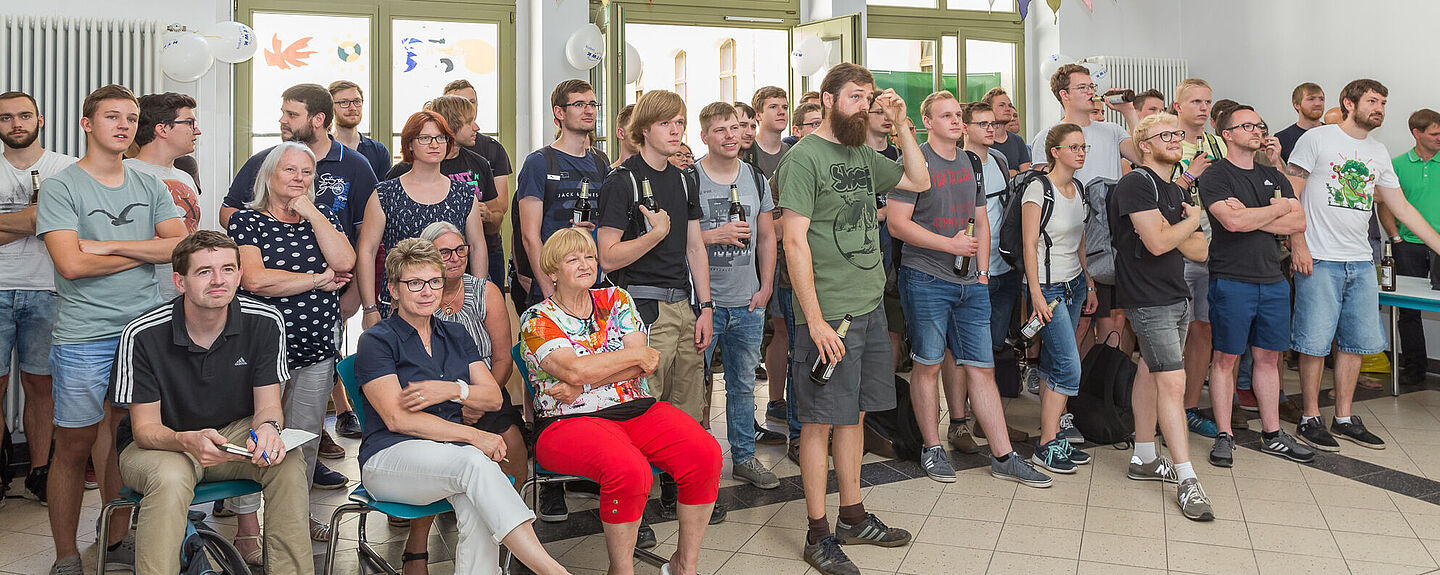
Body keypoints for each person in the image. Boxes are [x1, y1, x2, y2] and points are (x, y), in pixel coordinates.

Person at [776, 62, 930, 575]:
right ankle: (818, 533)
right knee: (819, 421)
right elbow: (793, 240)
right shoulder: (803, 159)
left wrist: (904, 122)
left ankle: (853, 515)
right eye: (855, 98)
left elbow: (919, 178)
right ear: (826, 100)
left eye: (869, 98)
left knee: (857, 415)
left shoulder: (863, 151)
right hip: (828, 315)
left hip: (866, 305)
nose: (865, 106)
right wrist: (814, 320)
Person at [37, 84, 187, 575]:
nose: (123, 125)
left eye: (130, 117)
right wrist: (139, 247)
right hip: (84, 335)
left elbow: (178, 249)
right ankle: (66, 554)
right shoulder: (62, 186)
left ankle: (116, 536)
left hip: (142, 333)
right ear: (87, 124)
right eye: (111, 117)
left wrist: (100, 247)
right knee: (74, 445)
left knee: (127, 440)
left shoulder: (150, 185)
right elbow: (69, 266)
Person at [357, 237, 570, 575]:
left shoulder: (455, 335)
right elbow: (398, 419)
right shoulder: (377, 340)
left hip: (449, 460)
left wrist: (449, 389)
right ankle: (552, 571)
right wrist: (474, 436)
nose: (427, 291)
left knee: (477, 501)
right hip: (388, 460)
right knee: (476, 462)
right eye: (415, 283)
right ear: (394, 289)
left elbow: (493, 397)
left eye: (434, 282)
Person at [521, 228, 721, 575]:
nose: (585, 264)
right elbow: (575, 368)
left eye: (589, 257)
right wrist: (599, 371)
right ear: (552, 272)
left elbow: (646, 361)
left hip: (635, 409)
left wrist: (583, 383)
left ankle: (684, 566)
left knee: (705, 454)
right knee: (629, 470)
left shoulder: (617, 299)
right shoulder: (538, 319)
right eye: (573, 259)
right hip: (566, 422)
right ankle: (621, 569)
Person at [112, 231, 313, 575]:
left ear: (239, 274)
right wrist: (184, 440)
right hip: (161, 445)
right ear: (180, 281)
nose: (219, 280)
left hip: (231, 437)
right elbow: (145, 430)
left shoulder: (266, 322)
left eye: (228, 269)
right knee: (172, 477)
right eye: (204, 271)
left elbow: (268, 406)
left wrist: (268, 429)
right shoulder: (142, 333)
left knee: (287, 460)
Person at [888, 92, 1051, 488]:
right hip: (926, 277)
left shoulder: (973, 162)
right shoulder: (914, 162)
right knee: (927, 365)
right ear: (927, 121)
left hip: (969, 283)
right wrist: (949, 246)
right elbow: (897, 224)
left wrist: (980, 274)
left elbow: (980, 218)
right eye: (947, 116)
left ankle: (1004, 455)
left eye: (958, 115)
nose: (956, 121)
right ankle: (932, 447)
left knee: (982, 368)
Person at [1288, 79, 1440, 452]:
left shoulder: (1378, 151)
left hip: (1360, 259)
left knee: (1356, 343)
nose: (1379, 108)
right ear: (1349, 102)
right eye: (1372, 101)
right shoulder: (1317, 140)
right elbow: (1291, 196)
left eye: (1384, 102)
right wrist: (1297, 245)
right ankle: (1310, 417)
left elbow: (1401, 207)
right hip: (1320, 257)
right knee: (1314, 343)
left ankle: (1342, 417)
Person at [224, 141, 358, 562]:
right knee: (255, 433)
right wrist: (317, 280)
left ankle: (295, 521)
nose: (300, 178)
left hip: (317, 345)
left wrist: (314, 213)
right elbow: (256, 281)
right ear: (269, 175)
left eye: (307, 172)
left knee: (303, 439)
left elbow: (346, 261)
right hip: (262, 350)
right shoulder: (247, 221)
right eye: (290, 170)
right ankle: (249, 527)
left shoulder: (323, 218)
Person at [596, 90, 723, 524]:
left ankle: (677, 490)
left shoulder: (685, 178)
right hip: (639, 309)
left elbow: (693, 246)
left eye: (680, 123)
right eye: (668, 123)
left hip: (682, 305)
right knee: (640, 409)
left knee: (686, 409)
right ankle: (636, 505)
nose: (676, 131)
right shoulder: (622, 180)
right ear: (644, 129)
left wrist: (705, 306)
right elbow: (607, 257)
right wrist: (652, 235)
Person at [392, 221, 524, 575]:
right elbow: (407, 375)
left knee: (513, 451)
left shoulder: (485, 292)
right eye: (444, 252)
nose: (454, 258)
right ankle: (417, 545)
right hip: (430, 403)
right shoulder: (414, 299)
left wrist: (474, 402)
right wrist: (458, 405)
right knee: (438, 454)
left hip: (484, 390)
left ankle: (503, 541)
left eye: (460, 249)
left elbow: (501, 359)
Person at [1109, 112, 1216, 520]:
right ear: (1145, 145)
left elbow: (1200, 250)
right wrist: (1187, 223)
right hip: (1148, 299)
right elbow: (1156, 243)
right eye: (1165, 134)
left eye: (1177, 133)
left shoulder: (1173, 190)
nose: (1176, 138)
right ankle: (1189, 479)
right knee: (1173, 382)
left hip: (1176, 295)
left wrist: (1180, 227)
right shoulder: (1136, 184)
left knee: (1149, 372)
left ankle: (1144, 457)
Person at [1028, 63, 1140, 443]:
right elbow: (1044, 207)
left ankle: (1100, 406)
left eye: (1092, 86)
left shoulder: (1110, 131)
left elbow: (1143, 153)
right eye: (1082, 87)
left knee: (1112, 327)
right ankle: (1057, 419)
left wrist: (1128, 112)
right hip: (1060, 257)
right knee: (1068, 340)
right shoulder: (1048, 135)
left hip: (1104, 246)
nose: (1091, 92)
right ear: (1063, 94)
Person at [1200, 105, 1314, 467]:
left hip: (1273, 279)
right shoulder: (1215, 175)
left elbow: (1298, 223)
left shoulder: (1274, 176)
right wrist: (1273, 212)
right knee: (1225, 360)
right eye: (1246, 125)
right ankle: (1224, 434)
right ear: (1227, 134)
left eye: (1259, 125)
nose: (1256, 130)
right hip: (1231, 279)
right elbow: (1230, 223)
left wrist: (1253, 217)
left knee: (1268, 358)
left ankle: (1272, 433)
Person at [694, 102, 782, 489]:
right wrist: (716, 235)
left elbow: (767, 236)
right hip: (702, 304)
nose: (730, 136)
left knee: (743, 385)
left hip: (747, 303)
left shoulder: (756, 178)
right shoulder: (689, 178)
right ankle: (697, 465)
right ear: (705, 137)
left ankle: (744, 457)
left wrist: (765, 287)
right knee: (695, 387)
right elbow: (678, 240)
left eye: (734, 128)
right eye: (720, 130)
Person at [0, 90, 76, 505]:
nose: (16, 124)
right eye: (7, 117)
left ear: (40, 119)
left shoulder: (64, 168)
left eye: (24, 116)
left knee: (40, 386)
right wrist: (33, 220)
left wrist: (30, 222)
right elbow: (42, 222)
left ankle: (39, 471)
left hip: (48, 289)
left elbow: (71, 228)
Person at [358, 110, 487, 327]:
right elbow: (366, 251)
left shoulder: (464, 194)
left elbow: (477, 246)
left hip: (452, 302)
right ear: (410, 144)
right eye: (425, 138)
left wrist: (479, 297)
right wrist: (369, 308)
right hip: (398, 302)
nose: (434, 144)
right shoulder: (385, 194)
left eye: (440, 138)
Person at [1021, 123, 1097, 475]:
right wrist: (1035, 293)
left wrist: (1090, 283)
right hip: (1048, 290)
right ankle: (1045, 445)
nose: (1081, 153)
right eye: (1074, 147)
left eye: (1083, 147)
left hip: (1074, 284)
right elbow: (1028, 246)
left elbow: (1080, 240)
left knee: (1054, 364)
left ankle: (1051, 438)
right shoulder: (1038, 189)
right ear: (1055, 152)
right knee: (1069, 365)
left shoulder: (1078, 188)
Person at [962, 101, 1032, 448]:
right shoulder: (961, 162)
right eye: (982, 124)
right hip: (970, 269)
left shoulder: (1001, 161)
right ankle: (961, 421)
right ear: (965, 128)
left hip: (1003, 266)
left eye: (992, 123)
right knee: (965, 350)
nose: (991, 129)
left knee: (991, 346)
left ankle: (987, 421)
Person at [515, 80, 609, 314]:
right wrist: (551, 295)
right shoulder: (539, 162)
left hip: (591, 286)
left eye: (592, 104)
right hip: (552, 287)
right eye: (579, 104)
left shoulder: (601, 162)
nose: (588, 110)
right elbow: (529, 236)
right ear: (559, 112)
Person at [1165, 78, 1226, 440]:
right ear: (1178, 106)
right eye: (1196, 102)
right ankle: (1164, 406)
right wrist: (1191, 175)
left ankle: (1188, 407)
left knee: (1202, 327)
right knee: (1171, 330)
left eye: (1208, 101)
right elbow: (1157, 193)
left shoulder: (1218, 142)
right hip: (1176, 247)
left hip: (1213, 246)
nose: (1203, 108)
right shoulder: (1167, 141)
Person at [386, 95, 499, 280]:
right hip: (408, 280)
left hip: (460, 277)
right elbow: (374, 246)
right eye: (470, 122)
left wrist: (479, 291)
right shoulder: (397, 179)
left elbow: (485, 235)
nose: (476, 127)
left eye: (439, 138)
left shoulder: (475, 171)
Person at [125, 92, 203, 301]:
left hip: (179, 295)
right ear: (162, 129)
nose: (197, 131)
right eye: (189, 123)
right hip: (137, 297)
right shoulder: (123, 174)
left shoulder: (185, 177)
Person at [1390, 109, 1440, 386]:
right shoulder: (1397, 164)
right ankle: (1414, 368)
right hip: (1407, 246)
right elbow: (1385, 204)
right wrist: (1395, 237)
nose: (1439, 138)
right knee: (1407, 312)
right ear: (1416, 133)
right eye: (1434, 134)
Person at [328, 80, 391, 181]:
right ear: (330, 107)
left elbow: (384, 193)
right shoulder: (323, 149)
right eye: (344, 102)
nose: (352, 108)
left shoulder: (378, 151)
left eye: (357, 101)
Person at [980, 87, 1032, 176]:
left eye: (1010, 105)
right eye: (1002, 105)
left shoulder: (1017, 140)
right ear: (989, 109)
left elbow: (1025, 176)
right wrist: (1011, 173)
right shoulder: (982, 140)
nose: (1008, 109)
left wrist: (1011, 173)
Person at [1276, 82, 1325, 163]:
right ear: (1297, 105)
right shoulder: (1282, 138)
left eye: (1321, 99)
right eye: (1311, 99)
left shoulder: (1333, 133)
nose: (1318, 103)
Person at [750, 86, 791, 180]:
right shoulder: (746, 152)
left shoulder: (792, 152)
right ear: (758, 115)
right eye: (773, 107)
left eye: (785, 107)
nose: (781, 112)